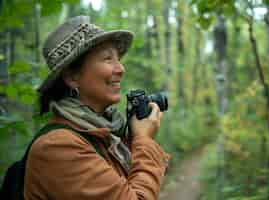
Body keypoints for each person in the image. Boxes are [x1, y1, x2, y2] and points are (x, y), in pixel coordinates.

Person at [24, 16, 170, 200]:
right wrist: (144, 139)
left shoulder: (103, 135)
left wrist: (133, 140)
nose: (121, 69)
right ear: (72, 77)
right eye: (108, 59)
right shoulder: (57, 147)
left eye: (118, 59)